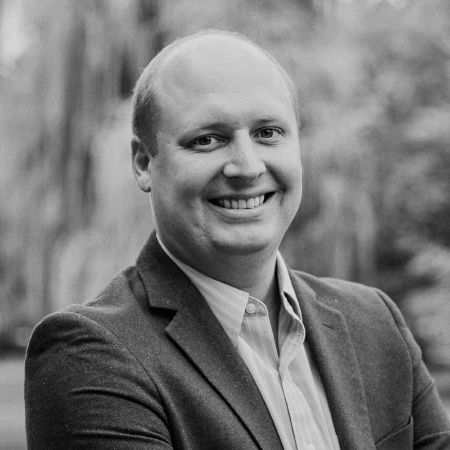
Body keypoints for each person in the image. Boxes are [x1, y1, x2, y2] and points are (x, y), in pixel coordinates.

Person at [25, 29, 450, 450]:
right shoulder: (90, 356)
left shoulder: (375, 322)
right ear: (143, 162)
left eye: (268, 133)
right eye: (207, 139)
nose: (247, 167)